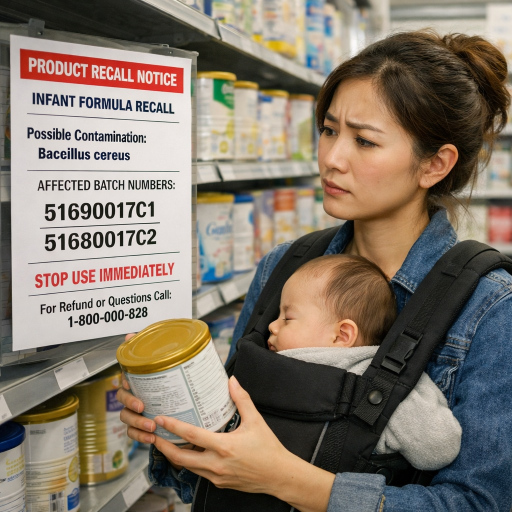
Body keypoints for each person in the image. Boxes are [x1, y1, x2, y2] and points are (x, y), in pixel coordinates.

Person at [118, 29, 512, 511]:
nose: (331, 158)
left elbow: (481, 503)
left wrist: (291, 481)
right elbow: (208, 469)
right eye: (329, 130)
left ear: (434, 164)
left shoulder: (490, 309)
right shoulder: (283, 268)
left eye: (364, 142)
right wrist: (173, 426)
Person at [267, 253, 462, 471]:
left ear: (342, 335)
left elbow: (439, 448)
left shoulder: (378, 385)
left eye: (287, 318)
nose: (272, 326)